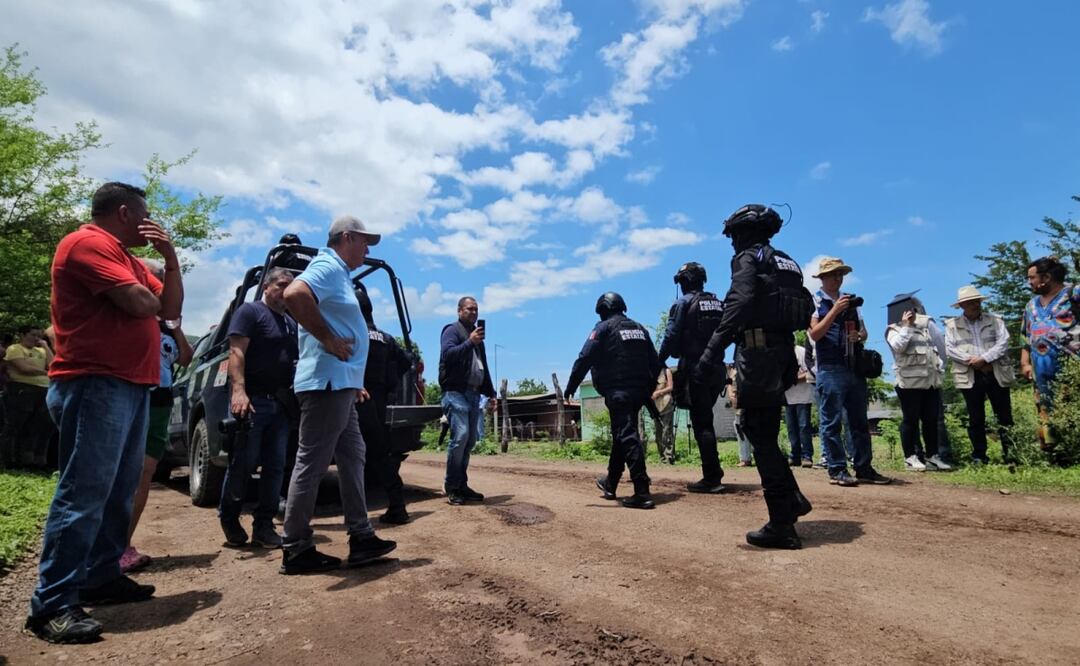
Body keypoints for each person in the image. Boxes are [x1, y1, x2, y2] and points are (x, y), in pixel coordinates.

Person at [26, 182, 182, 643]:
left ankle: (100, 576)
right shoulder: (87, 243)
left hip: (132, 385)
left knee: (118, 490)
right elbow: (142, 304)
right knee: (84, 493)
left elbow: (168, 312)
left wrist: (170, 259)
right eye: (145, 215)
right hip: (94, 382)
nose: (150, 223)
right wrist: (152, 298)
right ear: (124, 212)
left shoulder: (131, 260)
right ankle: (51, 604)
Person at [279, 216, 396, 575]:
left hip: (340, 383)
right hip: (325, 384)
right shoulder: (327, 265)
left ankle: (361, 535)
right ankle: (296, 547)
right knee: (312, 461)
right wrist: (327, 338)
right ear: (346, 237)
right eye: (364, 241)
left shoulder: (340, 274)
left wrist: (353, 376)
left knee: (353, 454)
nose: (367, 248)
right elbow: (293, 294)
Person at [694, 204, 813, 549]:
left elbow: (740, 302)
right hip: (783, 354)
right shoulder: (786, 261)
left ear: (743, 232)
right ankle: (791, 499)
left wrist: (712, 350)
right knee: (766, 431)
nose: (731, 242)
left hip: (758, 355)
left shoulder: (748, 258)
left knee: (759, 434)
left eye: (733, 235)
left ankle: (782, 523)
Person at [121, 260, 195, 573]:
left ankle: (123, 545)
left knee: (146, 470)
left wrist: (175, 326)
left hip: (160, 399)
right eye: (154, 278)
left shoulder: (167, 322)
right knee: (118, 470)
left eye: (161, 279)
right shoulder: (127, 311)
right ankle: (99, 548)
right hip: (128, 392)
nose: (158, 284)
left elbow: (186, 356)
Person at [217, 267, 298, 548]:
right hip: (253, 402)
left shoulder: (290, 322)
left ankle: (263, 525)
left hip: (281, 405)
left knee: (276, 467)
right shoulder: (250, 312)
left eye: (290, 286)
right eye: (281, 285)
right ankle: (229, 516)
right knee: (243, 463)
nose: (285, 291)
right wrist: (238, 391)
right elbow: (236, 351)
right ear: (266, 286)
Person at [566, 292, 663, 509]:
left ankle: (642, 490)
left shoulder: (604, 328)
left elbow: (584, 358)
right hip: (638, 392)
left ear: (603, 310)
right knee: (622, 434)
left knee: (627, 436)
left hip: (619, 392)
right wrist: (647, 388)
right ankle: (610, 483)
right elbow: (655, 362)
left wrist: (571, 386)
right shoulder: (639, 329)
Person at [808, 257, 891, 487]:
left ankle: (864, 467)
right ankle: (836, 468)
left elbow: (864, 332)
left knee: (859, 421)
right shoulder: (815, 301)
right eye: (834, 274)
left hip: (853, 367)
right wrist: (835, 310)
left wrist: (859, 336)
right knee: (831, 421)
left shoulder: (851, 302)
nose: (838, 277)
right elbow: (814, 334)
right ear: (823, 278)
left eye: (841, 273)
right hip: (830, 367)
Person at [658, 262, 727, 492]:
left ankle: (712, 476)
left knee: (702, 422)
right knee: (705, 419)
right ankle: (713, 471)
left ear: (684, 281)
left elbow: (670, 337)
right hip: (718, 368)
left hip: (697, 367)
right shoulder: (718, 303)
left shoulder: (682, 303)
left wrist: (656, 364)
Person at [354, 287, 414, 524]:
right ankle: (397, 506)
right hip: (378, 403)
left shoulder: (352, 335)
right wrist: (391, 384)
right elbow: (407, 361)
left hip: (355, 399)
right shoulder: (386, 338)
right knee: (380, 454)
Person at [944, 285, 1015, 465]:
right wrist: (973, 361)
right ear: (962, 306)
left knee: (1004, 415)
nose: (975, 305)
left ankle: (1012, 454)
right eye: (970, 302)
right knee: (975, 417)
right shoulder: (952, 325)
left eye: (977, 301)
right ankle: (979, 456)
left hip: (995, 372)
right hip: (970, 375)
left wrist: (984, 358)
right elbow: (950, 349)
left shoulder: (996, 320)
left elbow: (1003, 342)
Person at [1020, 256, 1080, 459]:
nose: (1030, 282)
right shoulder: (1031, 305)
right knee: (1045, 406)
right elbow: (1025, 335)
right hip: (1041, 367)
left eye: (1032, 278)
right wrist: (1025, 362)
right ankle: (1054, 453)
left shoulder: (1074, 293)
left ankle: (1074, 449)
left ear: (1045, 277)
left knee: (1072, 403)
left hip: (1071, 363)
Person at [438, 296, 496, 505]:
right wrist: (469, 342)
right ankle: (451, 485)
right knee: (461, 436)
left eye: (476, 310)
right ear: (459, 310)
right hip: (455, 391)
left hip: (473, 393)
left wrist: (491, 393)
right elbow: (448, 355)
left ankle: (461, 484)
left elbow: (483, 367)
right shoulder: (452, 331)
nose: (474, 313)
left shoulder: (478, 340)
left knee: (470, 440)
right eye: (470, 309)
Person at [885, 293, 952, 471]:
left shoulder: (927, 325)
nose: (913, 311)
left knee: (930, 420)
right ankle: (910, 457)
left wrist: (941, 368)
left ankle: (932, 456)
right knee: (911, 420)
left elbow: (940, 347)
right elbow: (898, 347)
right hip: (908, 383)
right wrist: (906, 326)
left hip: (930, 380)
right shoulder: (893, 329)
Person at [1, 326, 55, 468]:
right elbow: (24, 369)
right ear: (23, 335)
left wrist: (45, 347)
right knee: (15, 426)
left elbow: (54, 365)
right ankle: (9, 460)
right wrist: (45, 372)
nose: (36, 338)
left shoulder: (41, 351)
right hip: (21, 389)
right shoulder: (15, 349)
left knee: (35, 427)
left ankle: (30, 460)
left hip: (43, 390)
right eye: (33, 335)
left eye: (39, 336)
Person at [784, 344, 815, 467]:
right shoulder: (780, 352)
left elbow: (809, 371)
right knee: (791, 429)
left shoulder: (801, 351)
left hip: (803, 397)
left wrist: (793, 379)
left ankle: (807, 456)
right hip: (788, 397)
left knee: (804, 427)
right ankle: (795, 456)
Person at [651, 367, 676, 463]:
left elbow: (670, 387)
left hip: (667, 403)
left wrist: (658, 392)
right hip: (655, 406)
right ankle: (662, 458)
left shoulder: (666, 371)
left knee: (667, 431)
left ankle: (669, 457)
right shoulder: (651, 372)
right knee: (658, 432)